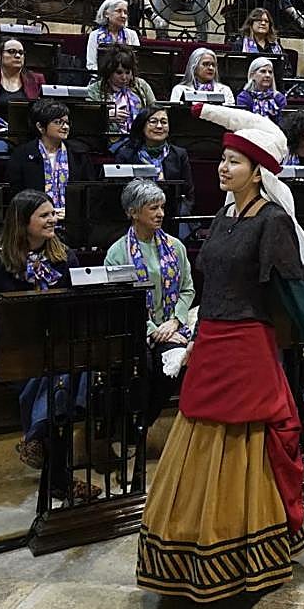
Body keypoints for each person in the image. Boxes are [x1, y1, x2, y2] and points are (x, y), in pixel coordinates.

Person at [136, 102, 304, 603]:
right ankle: (188, 552)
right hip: (211, 341)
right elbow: (213, 286)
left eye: (233, 160)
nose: (223, 167)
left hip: (248, 345)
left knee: (249, 440)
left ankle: (252, 545)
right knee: (196, 433)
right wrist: (194, 335)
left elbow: (293, 288)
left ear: (258, 171)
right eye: (223, 159)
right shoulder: (226, 216)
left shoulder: (272, 221)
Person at [0, 189, 97, 501]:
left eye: (53, 214)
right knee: (57, 382)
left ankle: (36, 436)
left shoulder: (65, 257)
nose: (53, 220)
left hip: (54, 346)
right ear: (23, 222)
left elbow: (76, 302)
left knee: (65, 371)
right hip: (4, 348)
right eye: (45, 215)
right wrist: (12, 332)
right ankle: (60, 479)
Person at [104, 179, 195, 425]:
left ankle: (144, 423)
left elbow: (187, 289)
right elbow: (119, 301)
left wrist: (175, 321)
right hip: (135, 328)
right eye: (153, 208)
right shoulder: (117, 252)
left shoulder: (176, 247)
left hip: (173, 326)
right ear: (133, 212)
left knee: (175, 362)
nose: (161, 214)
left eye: (162, 207)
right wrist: (154, 331)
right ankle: (126, 424)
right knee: (145, 367)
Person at [6, 99, 96, 217]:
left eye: (66, 122)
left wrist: (72, 212)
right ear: (40, 127)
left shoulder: (79, 154)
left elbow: (90, 192)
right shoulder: (22, 155)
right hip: (34, 220)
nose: (65, 127)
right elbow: (17, 195)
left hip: (73, 220)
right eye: (58, 122)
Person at [115, 105, 195, 215]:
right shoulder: (126, 155)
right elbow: (120, 193)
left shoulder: (179, 154)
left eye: (164, 122)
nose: (159, 126)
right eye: (153, 121)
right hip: (135, 214)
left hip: (171, 214)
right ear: (142, 126)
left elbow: (188, 192)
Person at [86, 45, 157, 137]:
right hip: (107, 139)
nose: (124, 77)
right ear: (109, 71)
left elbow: (155, 110)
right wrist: (105, 116)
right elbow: (87, 119)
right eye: (119, 73)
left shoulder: (141, 85)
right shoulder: (94, 89)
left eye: (128, 72)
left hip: (141, 137)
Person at [84, 0, 140, 71]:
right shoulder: (94, 35)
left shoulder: (132, 34)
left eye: (125, 12)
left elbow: (136, 63)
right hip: (101, 78)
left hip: (126, 78)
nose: (123, 16)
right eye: (119, 11)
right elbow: (91, 65)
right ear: (106, 14)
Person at [168, 47, 234, 105]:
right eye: (206, 64)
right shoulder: (179, 90)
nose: (211, 68)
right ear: (194, 67)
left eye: (213, 65)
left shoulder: (225, 90)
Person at [235, 57, 286, 121]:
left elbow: (283, 123)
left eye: (270, 72)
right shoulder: (244, 97)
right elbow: (244, 122)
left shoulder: (279, 98)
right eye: (263, 71)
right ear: (252, 75)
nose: (268, 75)